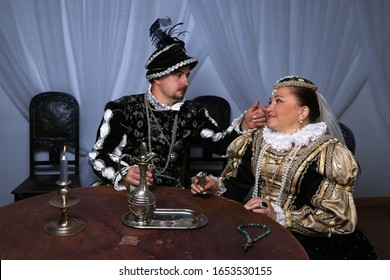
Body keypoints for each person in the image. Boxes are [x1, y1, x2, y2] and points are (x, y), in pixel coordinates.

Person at [191, 76, 377, 259]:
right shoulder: (256, 141)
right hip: (259, 225)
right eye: (270, 101)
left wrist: (280, 216)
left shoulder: (327, 153)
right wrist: (215, 186)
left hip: (309, 239)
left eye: (278, 101)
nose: (268, 108)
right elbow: (236, 184)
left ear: (302, 112)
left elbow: (334, 217)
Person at [89, 17, 266, 191]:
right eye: (178, 75)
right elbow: (99, 156)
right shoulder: (123, 109)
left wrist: (244, 124)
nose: (186, 82)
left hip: (170, 197)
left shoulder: (192, 112)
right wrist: (125, 173)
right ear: (157, 77)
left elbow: (220, 145)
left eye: (187, 75)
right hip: (125, 194)